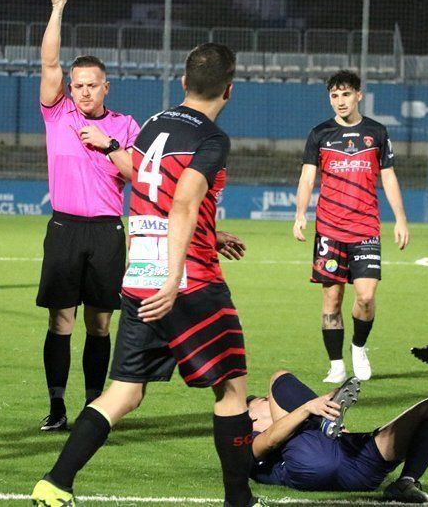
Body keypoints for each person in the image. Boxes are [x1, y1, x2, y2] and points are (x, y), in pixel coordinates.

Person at [31, 43, 258, 507]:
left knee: (125, 393)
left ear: (182, 84)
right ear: (229, 90)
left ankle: (55, 482)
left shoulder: (155, 123)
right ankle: (240, 500)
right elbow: (183, 201)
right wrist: (176, 276)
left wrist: (207, 236)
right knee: (233, 387)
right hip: (189, 282)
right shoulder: (212, 139)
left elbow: (149, 185)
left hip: (139, 274)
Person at [37, 0, 141, 431]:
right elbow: (49, 61)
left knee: (99, 325)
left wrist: (107, 143)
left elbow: (137, 173)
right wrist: (57, 8)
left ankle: (93, 408)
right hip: (64, 228)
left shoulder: (124, 125)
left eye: (91, 85)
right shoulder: (56, 111)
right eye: (77, 84)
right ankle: (57, 407)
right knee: (61, 322)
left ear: (106, 88)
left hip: (105, 231)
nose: (82, 92)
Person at [293, 70, 410, 384]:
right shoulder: (320, 133)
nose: (340, 101)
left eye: (345, 94)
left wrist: (400, 218)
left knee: (366, 297)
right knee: (332, 300)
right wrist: (300, 213)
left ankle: (358, 347)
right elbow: (307, 177)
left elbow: (388, 177)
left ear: (359, 95)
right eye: (334, 95)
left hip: (366, 227)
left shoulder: (377, 132)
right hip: (330, 228)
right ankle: (336, 365)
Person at [248, 370, 428, 503]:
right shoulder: (245, 435)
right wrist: (309, 407)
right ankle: (328, 414)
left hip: (357, 468)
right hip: (311, 460)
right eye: (264, 400)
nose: (270, 400)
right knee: (278, 377)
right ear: (251, 413)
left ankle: (406, 481)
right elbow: (269, 440)